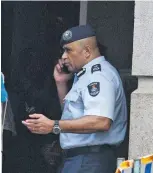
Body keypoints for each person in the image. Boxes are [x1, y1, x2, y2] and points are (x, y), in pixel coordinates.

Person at [22, 25, 128, 173]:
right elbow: (73, 114)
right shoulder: (85, 75)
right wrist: (61, 83)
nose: (64, 56)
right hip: (81, 159)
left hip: (90, 159)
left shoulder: (99, 76)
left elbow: (101, 121)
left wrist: (54, 126)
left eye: (68, 50)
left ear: (87, 51)